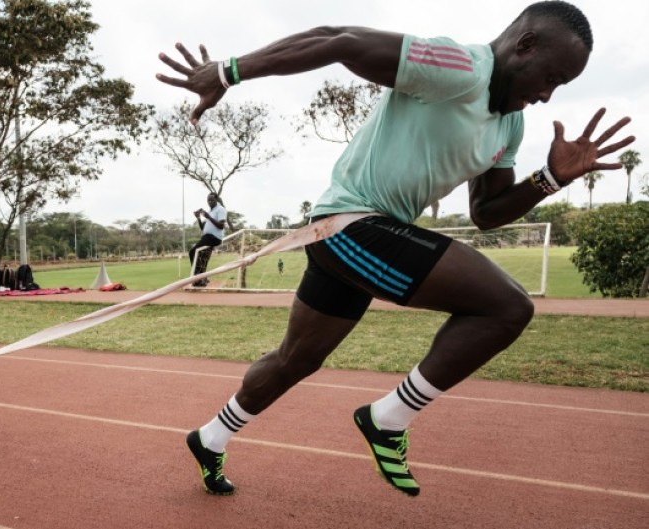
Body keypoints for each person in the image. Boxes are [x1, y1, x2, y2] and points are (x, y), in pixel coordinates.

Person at [157, 1, 633, 497]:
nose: (546, 95)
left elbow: (487, 212)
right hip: (348, 225)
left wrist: (551, 177)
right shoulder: (462, 68)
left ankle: (210, 436)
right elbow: (339, 38)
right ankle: (388, 418)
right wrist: (229, 72)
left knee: (294, 360)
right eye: (550, 77)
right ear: (525, 45)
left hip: (369, 236)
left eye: (561, 87)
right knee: (508, 307)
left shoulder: (508, 124)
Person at [189, 192, 228, 287]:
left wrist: (208, 217)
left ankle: (198, 279)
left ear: (216, 200)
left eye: (212, 200)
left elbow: (221, 226)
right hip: (207, 236)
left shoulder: (221, 209)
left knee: (193, 252)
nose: (209, 202)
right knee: (203, 258)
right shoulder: (211, 211)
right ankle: (203, 279)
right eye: (208, 200)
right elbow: (203, 228)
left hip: (213, 237)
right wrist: (198, 218)